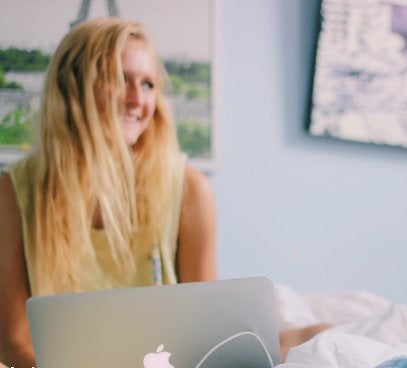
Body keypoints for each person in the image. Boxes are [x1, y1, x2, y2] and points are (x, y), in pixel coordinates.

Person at [0, 18, 324, 367]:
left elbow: (206, 331)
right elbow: (13, 342)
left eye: (148, 83)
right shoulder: (12, 193)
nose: (138, 99)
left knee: (319, 336)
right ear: (71, 87)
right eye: (119, 79)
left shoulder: (189, 188)